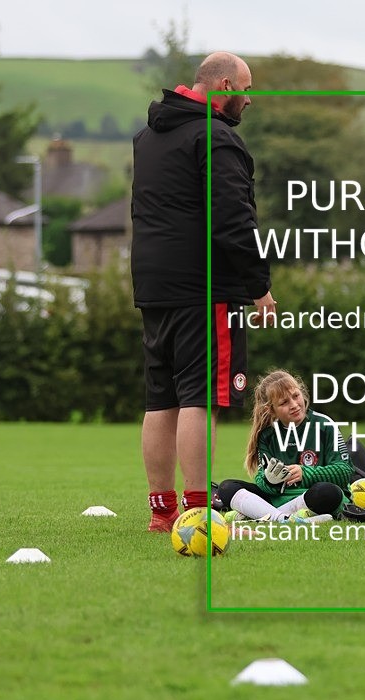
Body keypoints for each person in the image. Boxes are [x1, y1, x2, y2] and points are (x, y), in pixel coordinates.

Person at [132, 52, 277, 531]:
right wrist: (259, 286)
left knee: (161, 400)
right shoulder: (215, 138)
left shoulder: (149, 137)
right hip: (203, 288)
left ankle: (162, 511)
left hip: (154, 286)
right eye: (245, 89)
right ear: (223, 86)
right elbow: (234, 219)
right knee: (200, 397)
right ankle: (198, 508)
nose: (248, 99)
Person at [216, 371, 354, 521]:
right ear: (271, 410)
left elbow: (345, 471)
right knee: (227, 487)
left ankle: (260, 514)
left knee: (328, 492)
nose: (294, 405)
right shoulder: (267, 435)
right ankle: (286, 519)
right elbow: (262, 482)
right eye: (284, 403)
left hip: (313, 496)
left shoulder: (325, 425)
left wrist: (305, 473)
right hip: (278, 498)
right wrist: (270, 481)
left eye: (296, 396)